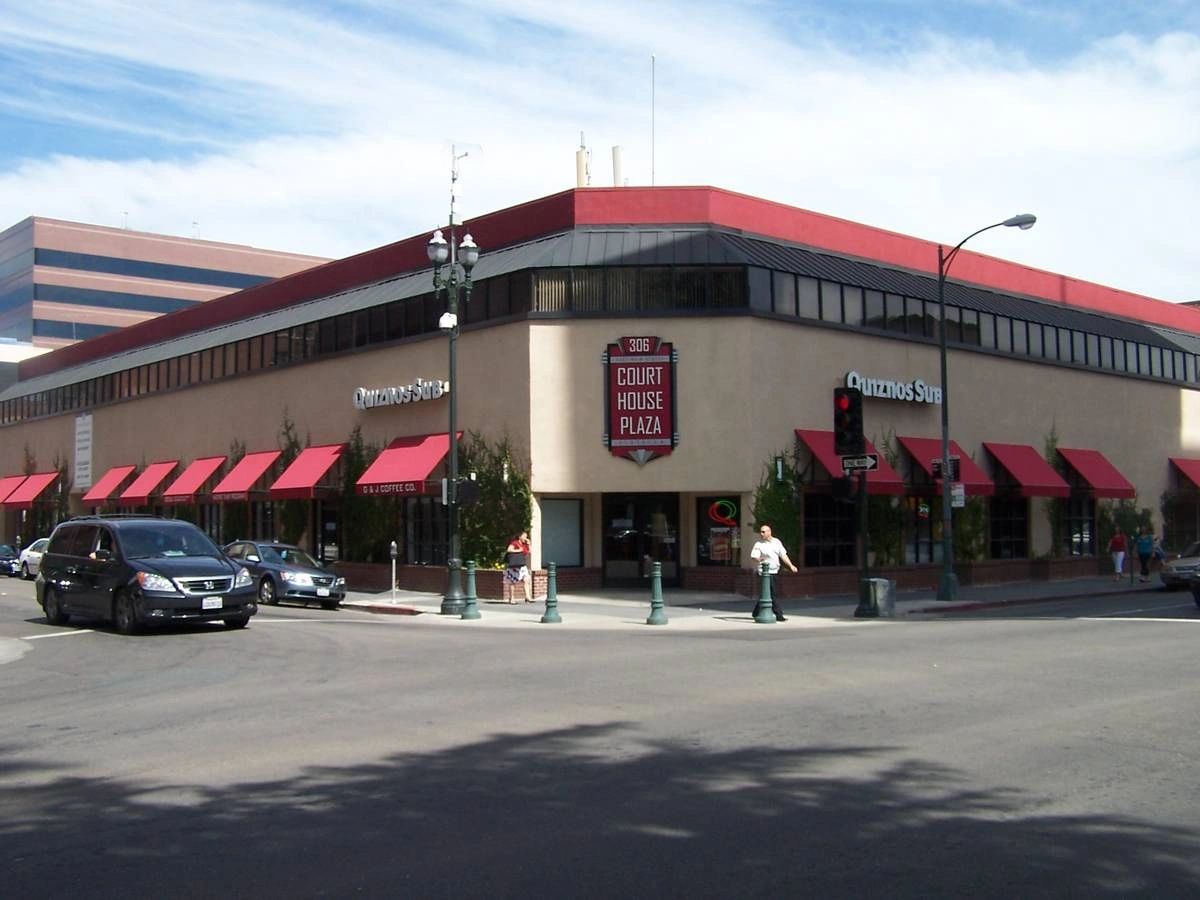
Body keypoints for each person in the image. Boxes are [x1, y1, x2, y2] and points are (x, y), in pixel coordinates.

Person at [749, 523, 798, 621]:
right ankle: (779, 615)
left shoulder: (777, 542)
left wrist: (791, 565)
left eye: (763, 532)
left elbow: (783, 555)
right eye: (761, 532)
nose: (761, 534)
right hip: (764, 573)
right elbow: (754, 556)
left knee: (767, 593)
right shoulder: (759, 544)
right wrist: (759, 559)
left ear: (769, 532)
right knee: (771, 593)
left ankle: (755, 612)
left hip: (774, 571)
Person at [503, 531, 532, 604]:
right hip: (514, 566)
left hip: (522, 565)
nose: (526, 538)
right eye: (524, 536)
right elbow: (509, 549)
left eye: (526, 536)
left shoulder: (525, 544)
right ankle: (512, 598)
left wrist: (529, 544)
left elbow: (529, 552)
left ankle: (528, 597)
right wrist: (518, 550)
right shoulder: (515, 543)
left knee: (526, 579)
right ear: (520, 537)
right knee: (512, 582)